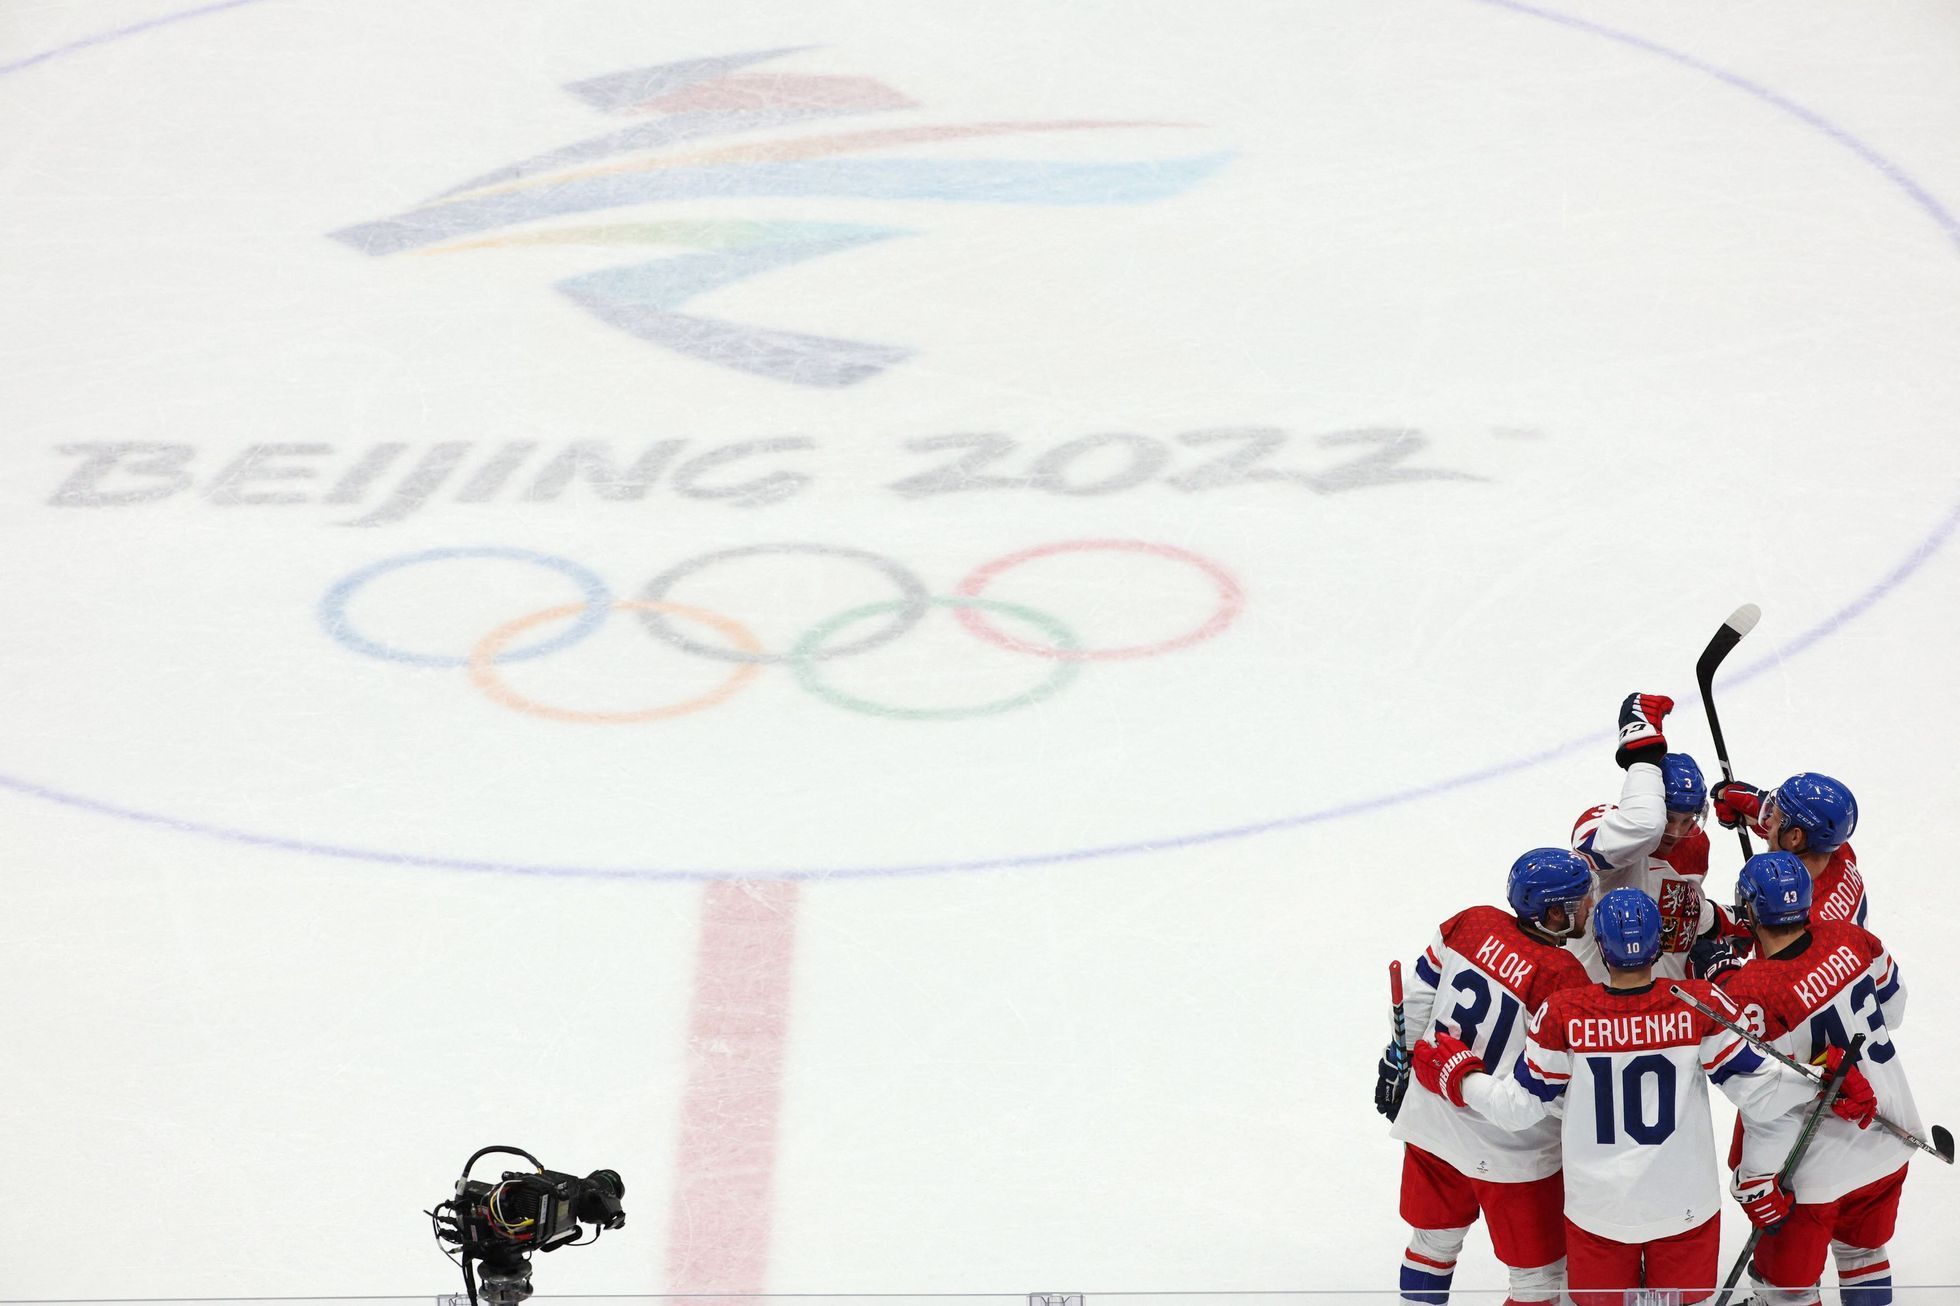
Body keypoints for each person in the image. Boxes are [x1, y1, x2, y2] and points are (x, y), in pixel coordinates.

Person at [1410, 888, 1871, 1306]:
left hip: (1599, 1212)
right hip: (1684, 1208)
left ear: (1600, 948)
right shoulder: (1699, 1004)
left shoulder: (1564, 1014)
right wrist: (1823, 1077)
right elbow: (1763, 1094)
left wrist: (1459, 1074)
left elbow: (1516, 1110)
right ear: (1658, 946)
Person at [1376, 848, 1596, 1303]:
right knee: (1539, 1280)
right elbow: (1560, 1086)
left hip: (1432, 1123)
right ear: (1556, 913)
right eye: (1582, 900)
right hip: (1510, 1155)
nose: (1590, 906)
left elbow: (1417, 1000)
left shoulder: (1471, 922)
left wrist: (1402, 1057)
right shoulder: (1564, 977)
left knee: (1431, 1246)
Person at [1716, 851, 1918, 1306]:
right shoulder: (1851, 936)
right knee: (1863, 1253)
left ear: (1749, 911)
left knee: (1789, 1289)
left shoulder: (1752, 992)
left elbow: (1765, 1104)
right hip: (1889, 1135)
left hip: (1812, 1168)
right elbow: (1895, 1008)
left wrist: (1755, 1178)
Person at [1569, 693, 1720, 979]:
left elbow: (1684, 909)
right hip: (1594, 1001)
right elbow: (1644, 828)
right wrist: (1643, 749)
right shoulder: (1609, 828)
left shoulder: (1696, 843)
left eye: (1687, 820)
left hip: (1665, 1008)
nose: (1676, 832)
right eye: (1669, 817)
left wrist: (1728, 921)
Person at [1710, 772, 1867, 926]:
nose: (1768, 821)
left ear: (1795, 837)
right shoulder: (1838, 849)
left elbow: (1770, 942)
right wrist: (1757, 809)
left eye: (1774, 817)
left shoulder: (1799, 919)